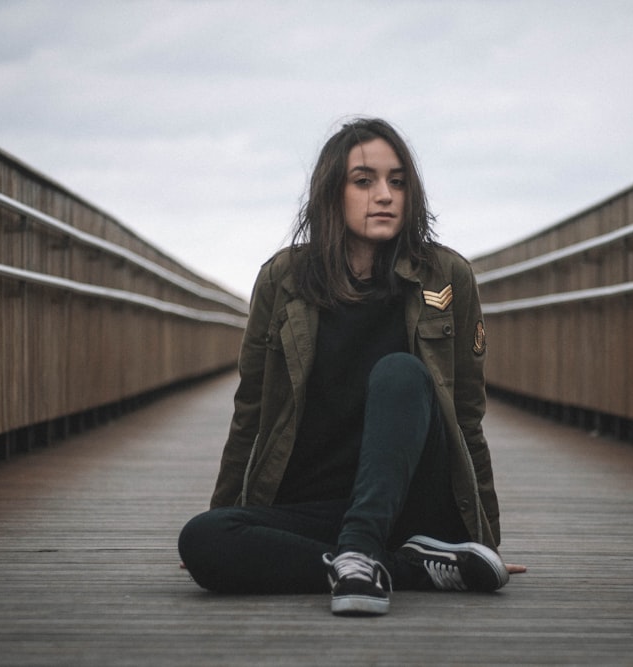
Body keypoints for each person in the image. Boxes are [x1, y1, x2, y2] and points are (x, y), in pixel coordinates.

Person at [178, 117, 521, 616]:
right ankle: (396, 567)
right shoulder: (283, 279)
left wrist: (486, 542)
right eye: (364, 181)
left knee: (401, 372)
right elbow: (250, 413)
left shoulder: (446, 277)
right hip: (314, 509)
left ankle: (365, 550)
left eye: (397, 181)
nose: (385, 195)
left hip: (410, 507)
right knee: (203, 539)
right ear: (331, 192)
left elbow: (467, 418)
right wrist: (226, 511)